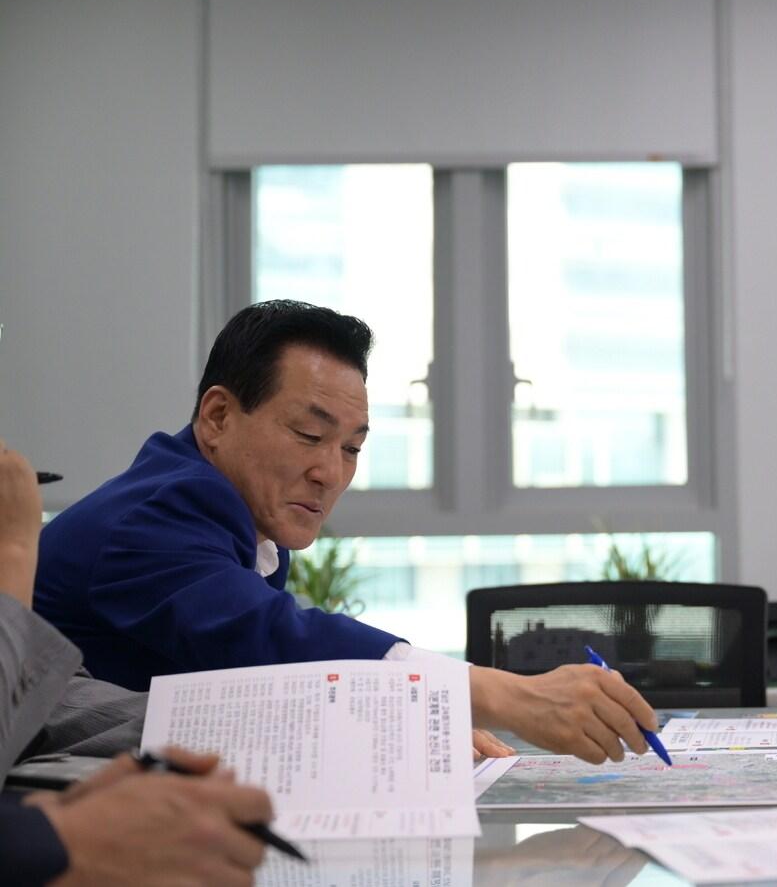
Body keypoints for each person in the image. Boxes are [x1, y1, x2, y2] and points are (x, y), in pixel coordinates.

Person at [34, 300, 658, 765]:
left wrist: (404, 715)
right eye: (309, 436)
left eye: (352, 449)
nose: (329, 473)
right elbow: (270, 638)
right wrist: (503, 695)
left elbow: (249, 677)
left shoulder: (237, 515)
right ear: (218, 416)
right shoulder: (151, 517)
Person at [1, 437, 274, 887]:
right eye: (308, 435)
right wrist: (11, 553)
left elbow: (51, 703)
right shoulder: (163, 509)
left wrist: (227, 726)